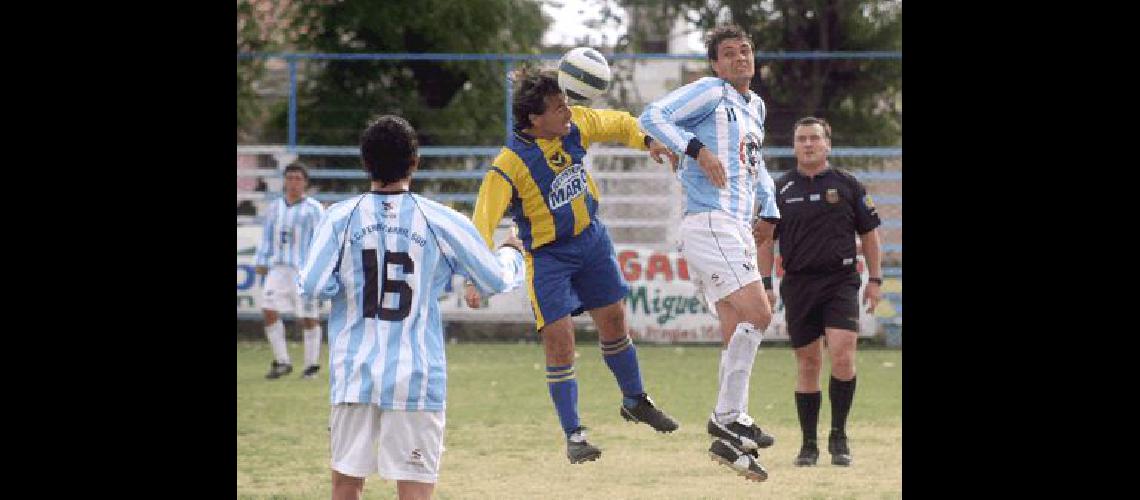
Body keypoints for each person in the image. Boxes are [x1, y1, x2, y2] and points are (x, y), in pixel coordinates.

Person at [296, 115, 527, 500]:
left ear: (365, 163)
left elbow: (312, 285)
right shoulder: (440, 219)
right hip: (416, 377)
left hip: (354, 372)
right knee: (415, 492)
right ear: (415, 163)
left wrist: (349, 287)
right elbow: (494, 280)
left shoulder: (339, 217)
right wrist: (511, 252)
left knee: (346, 485)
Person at [465, 69, 681, 464]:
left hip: (591, 240)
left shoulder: (573, 125)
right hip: (548, 256)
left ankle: (635, 400)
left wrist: (647, 140)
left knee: (615, 320)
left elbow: (617, 123)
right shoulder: (508, 166)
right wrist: (473, 277)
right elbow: (482, 222)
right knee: (560, 339)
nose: (569, 111)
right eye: (559, 107)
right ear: (534, 119)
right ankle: (575, 434)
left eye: (567, 104)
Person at [638, 24, 780, 482]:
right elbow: (652, 117)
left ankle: (730, 439)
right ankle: (727, 414)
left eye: (746, 51)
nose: (741, 58)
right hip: (709, 222)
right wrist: (696, 150)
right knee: (759, 313)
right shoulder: (711, 92)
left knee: (737, 326)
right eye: (729, 53)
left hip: (736, 226)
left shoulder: (754, 106)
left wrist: (770, 210)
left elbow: (756, 167)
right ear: (716, 64)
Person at [757, 116, 882, 467]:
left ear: (827, 144)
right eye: (801, 139)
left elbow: (870, 235)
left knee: (842, 354)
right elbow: (765, 240)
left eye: (814, 138)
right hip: (798, 283)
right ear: (794, 145)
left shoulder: (848, 185)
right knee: (808, 363)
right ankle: (808, 444)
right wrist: (766, 284)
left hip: (841, 281)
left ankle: (838, 436)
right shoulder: (779, 190)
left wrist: (875, 281)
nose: (808, 144)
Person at [255, 164, 327, 380]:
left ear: (305, 182)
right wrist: (261, 260)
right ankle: (282, 361)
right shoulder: (275, 207)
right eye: (290, 178)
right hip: (278, 268)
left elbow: (321, 240)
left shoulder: (314, 209)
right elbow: (267, 236)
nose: (293, 182)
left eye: (298, 178)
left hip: (303, 270)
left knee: (308, 316)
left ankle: (311, 365)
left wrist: (319, 267)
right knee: (268, 309)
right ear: (284, 181)